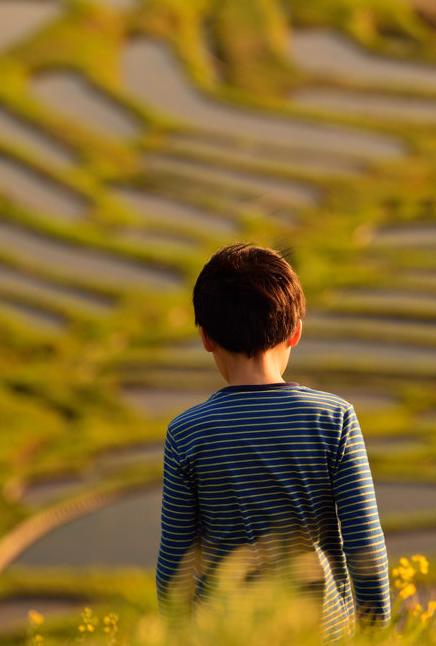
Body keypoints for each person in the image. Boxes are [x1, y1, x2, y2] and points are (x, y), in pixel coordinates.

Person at [156, 243, 390, 640]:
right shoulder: (334, 419)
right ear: (296, 330)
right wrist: (377, 633)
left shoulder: (187, 432)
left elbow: (175, 564)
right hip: (322, 632)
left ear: (206, 337)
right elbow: (365, 545)